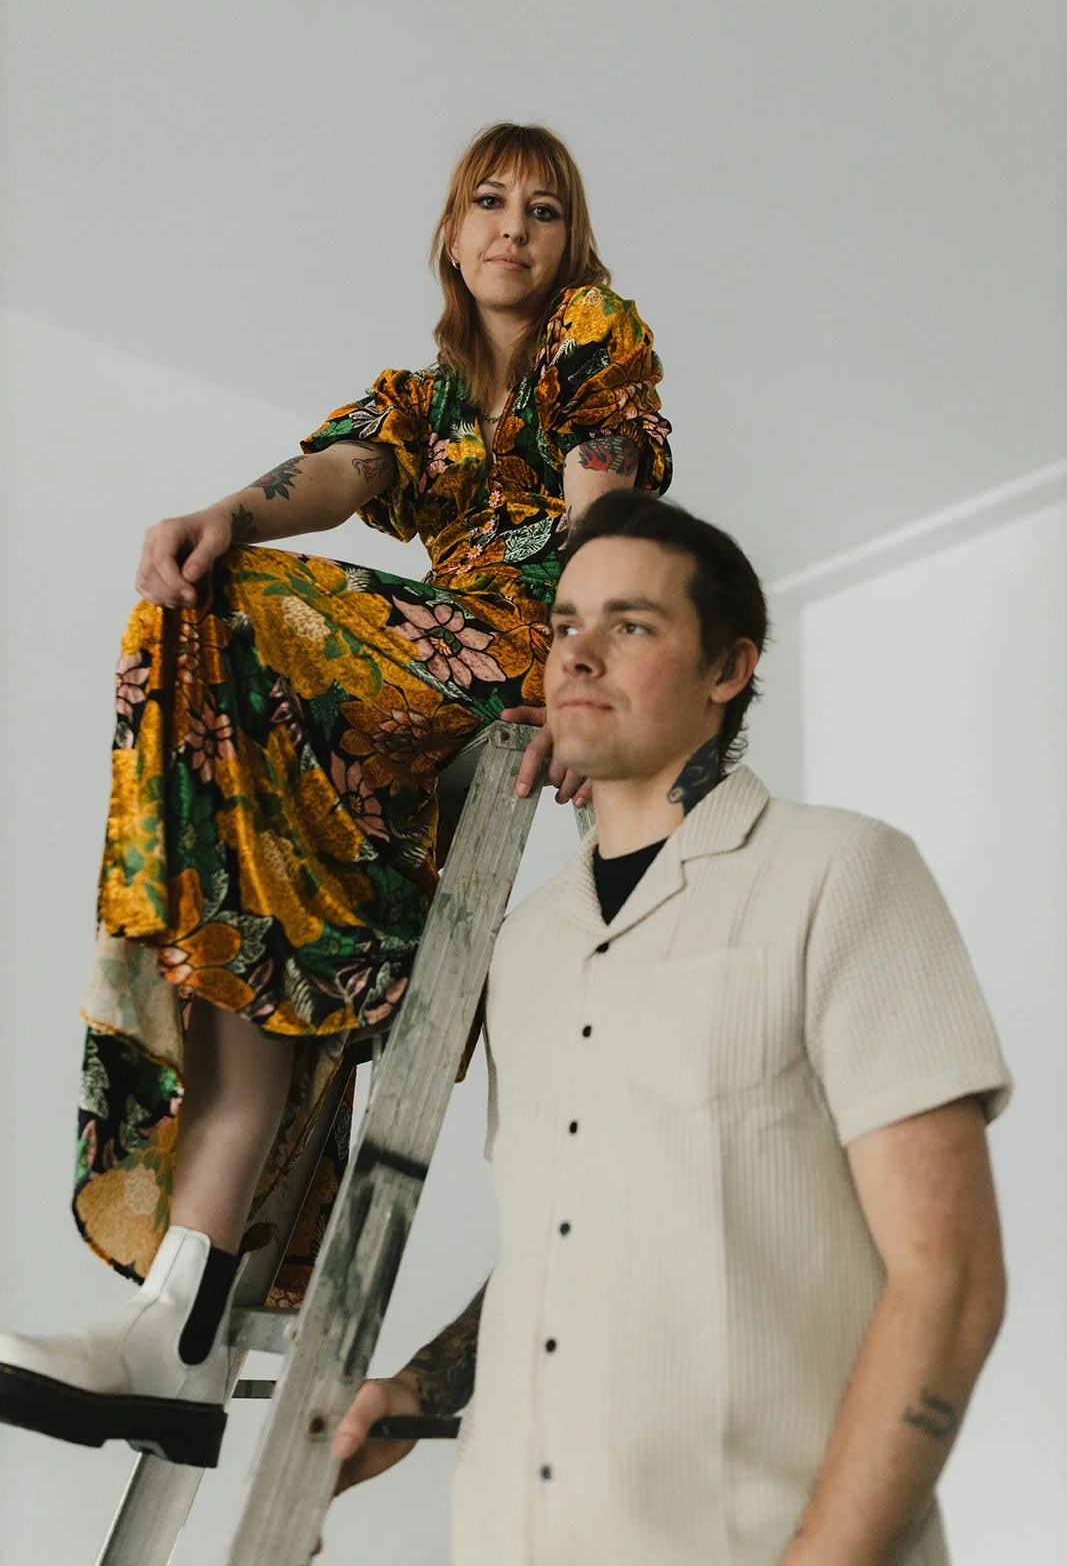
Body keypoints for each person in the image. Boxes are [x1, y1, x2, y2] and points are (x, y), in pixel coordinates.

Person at [0, 126, 671, 1468]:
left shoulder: (589, 332)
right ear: (446, 230)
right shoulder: (421, 398)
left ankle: (172, 1333)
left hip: (508, 659)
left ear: (568, 242)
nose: (512, 228)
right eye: (486, 201)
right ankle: (171, 1335)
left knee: (221, 606)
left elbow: (603, 510)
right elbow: (347, 470)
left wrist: (578, 664)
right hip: (401, 716)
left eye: (544, 209)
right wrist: (225, 510)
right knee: (243, 913)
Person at [331, 488, 1012, 1566]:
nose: (577, 655)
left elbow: (951, 1278)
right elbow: (566, 1232)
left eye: (630, 625)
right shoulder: (522, 948)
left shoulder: (839, 874)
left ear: (726, 669)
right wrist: (416, 1388)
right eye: (562, 626)